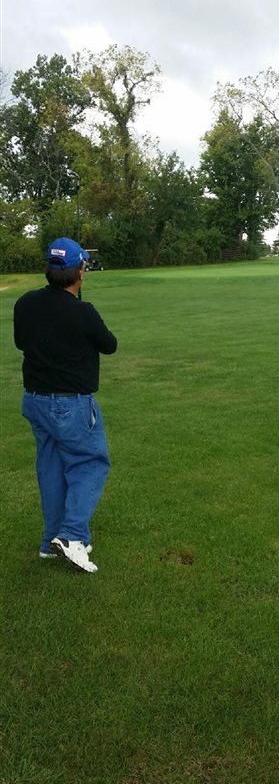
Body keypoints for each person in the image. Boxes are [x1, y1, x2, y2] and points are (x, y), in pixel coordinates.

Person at [13, 237, 117, 574]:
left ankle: (50, 542)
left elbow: (21, 342)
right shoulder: (82, 312)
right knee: (90, 464)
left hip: (35, 401)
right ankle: (72, 536)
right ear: (80, 273)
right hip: (70, 404)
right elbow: (109, 344)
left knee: (52, 468)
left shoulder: (25, 303)